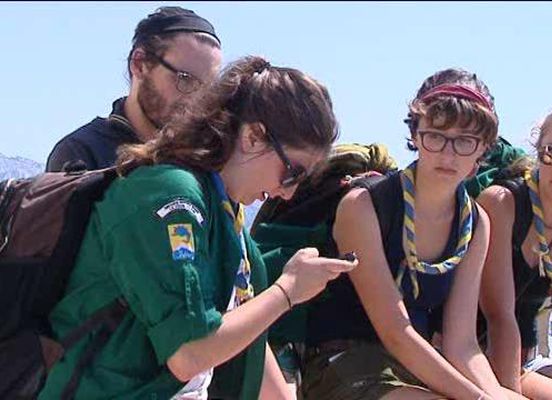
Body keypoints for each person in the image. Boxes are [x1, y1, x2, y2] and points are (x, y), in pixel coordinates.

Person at [38, 56, 357, 400]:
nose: (290, 191)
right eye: (293, 172)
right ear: (252, 136)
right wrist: (288, 291)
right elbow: (188, 353)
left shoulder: (223, 213)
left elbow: (245, 335)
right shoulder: (169, 196)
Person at [295, 68, 528, 400]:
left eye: (465, 141)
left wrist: (495, 395)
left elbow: (462, 343)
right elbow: (395, 332)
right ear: (416, 134)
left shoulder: (475, 223)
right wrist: (478, 399)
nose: (448, 154)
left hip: (418, 368)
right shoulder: (365, 206)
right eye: (435, 135)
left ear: (483, 149)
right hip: (347, 362)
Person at [478, 98, 552, 399]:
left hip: (522, 363)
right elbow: (498, 315)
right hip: (474, 358)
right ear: (538, 151)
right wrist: (509, 395)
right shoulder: (502, 203)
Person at [45, 6, 222, 172]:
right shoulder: (81, 153)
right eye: (185, 79)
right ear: (139, 64)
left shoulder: (207, 162)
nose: (195, 99)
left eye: (207, 89)